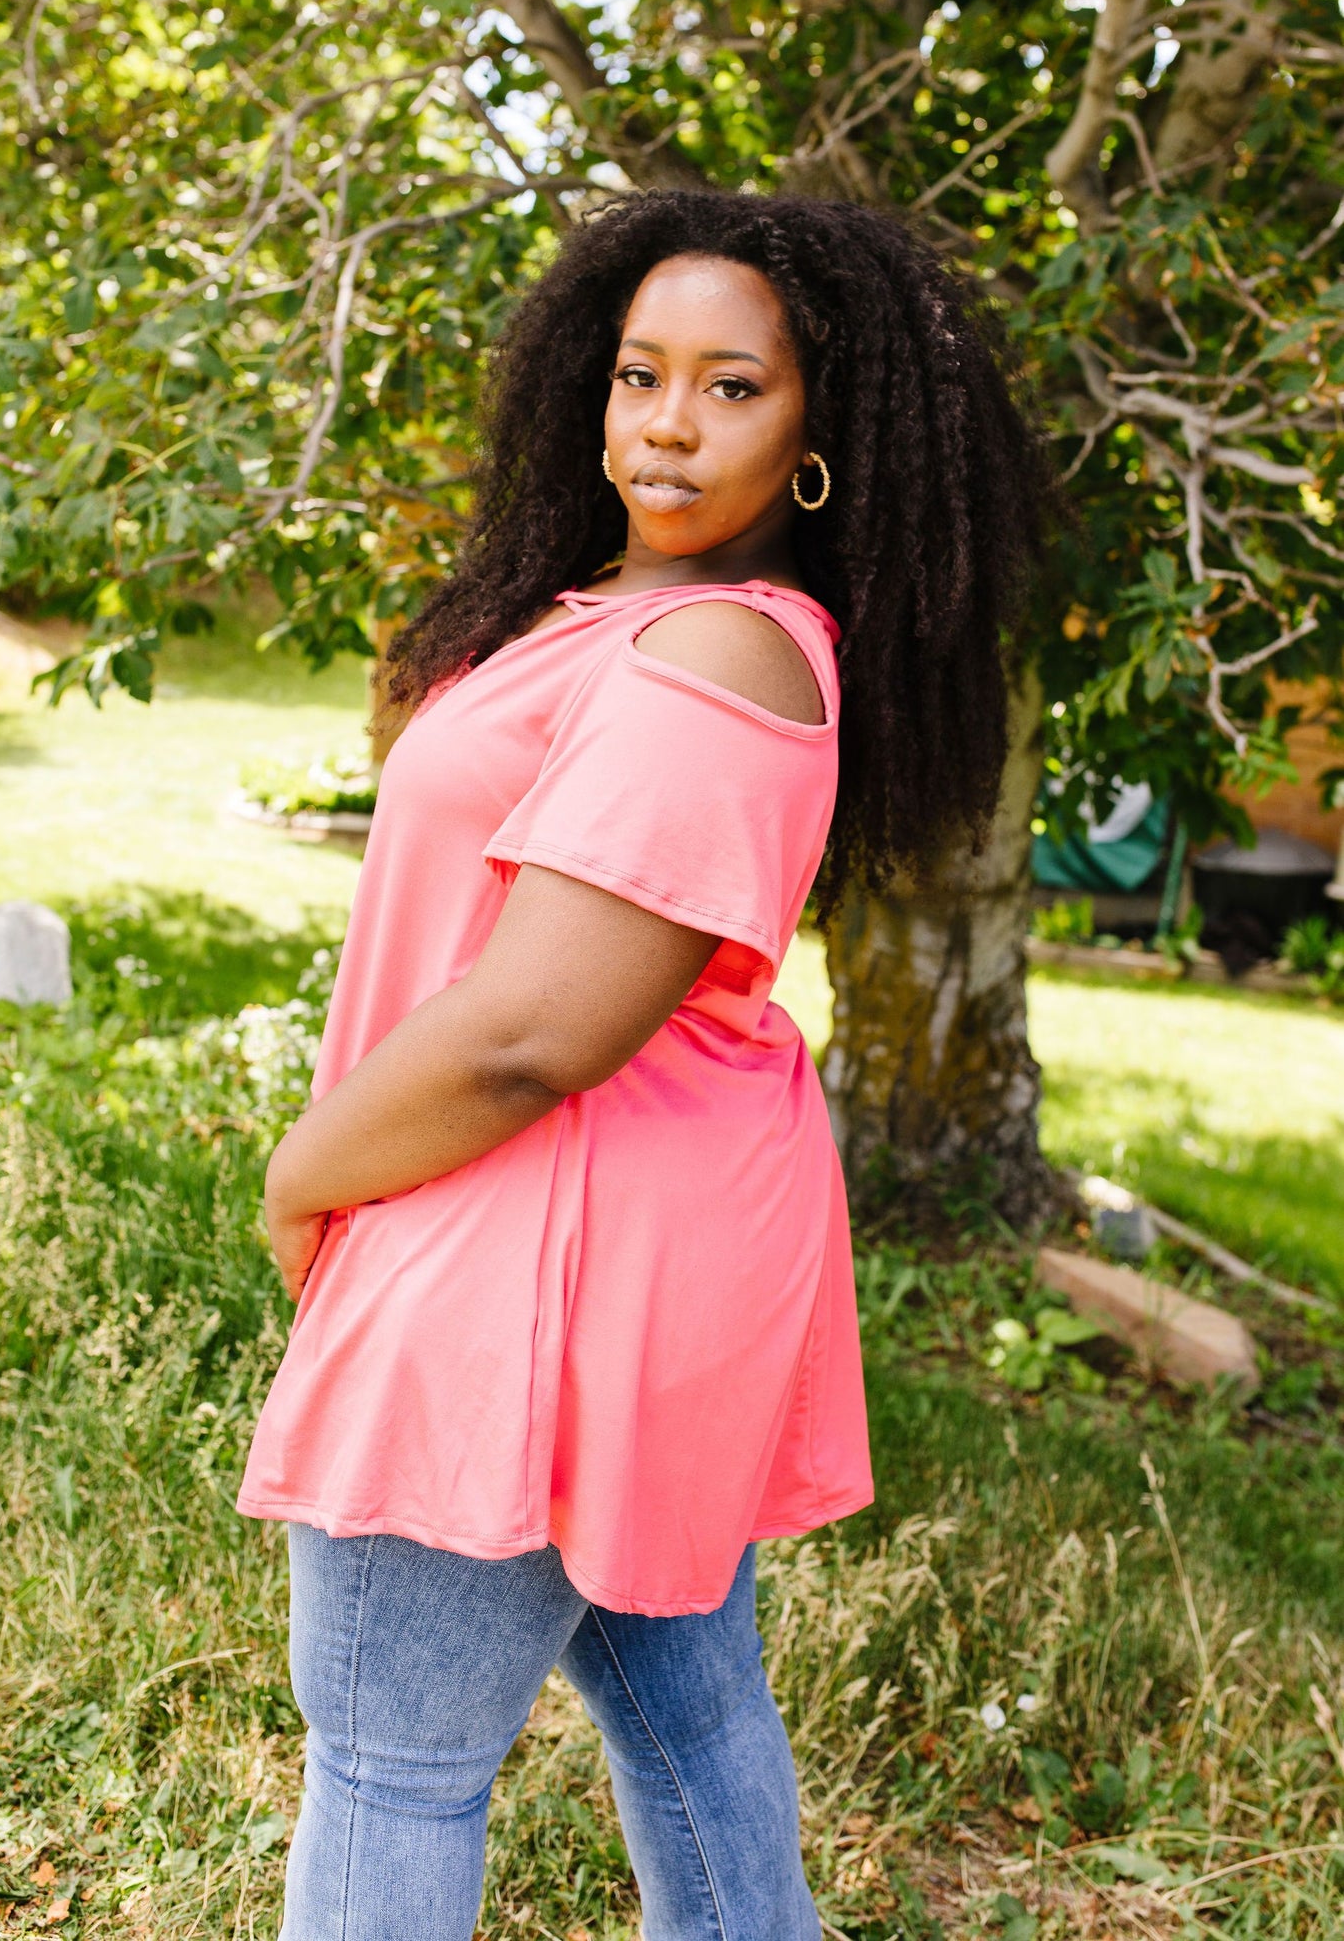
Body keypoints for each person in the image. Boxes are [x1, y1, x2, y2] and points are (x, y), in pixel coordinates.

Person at [238, 190, 1051, 1938]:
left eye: (732, 386)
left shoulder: (713, 652)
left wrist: (305, 1173)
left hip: (537, 1253)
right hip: (622, 1248)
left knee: (391, 1758)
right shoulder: (626, 613)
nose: (666, 423)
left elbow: (537, 1030)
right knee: (686, 1704)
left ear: (823, 429)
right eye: (637, 374)